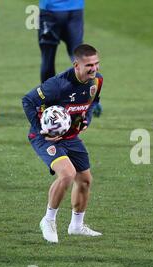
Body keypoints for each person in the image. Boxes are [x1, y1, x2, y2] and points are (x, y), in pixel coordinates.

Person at [22, 44, 103, 243]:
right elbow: (28, 100)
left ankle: (76, 226)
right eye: (89, 65)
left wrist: (86, 120)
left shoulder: (97, 81)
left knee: (85, 180)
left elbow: (92, 102)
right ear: (76, 65)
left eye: (96, 64)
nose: (94, 69)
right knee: (67, 174)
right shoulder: (57, 84)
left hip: (70, 137)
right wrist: (42, 129)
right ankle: (48, 220)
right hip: (44, 138)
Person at [38, 0, 102, 117]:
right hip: (75, 9)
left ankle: (50, 103)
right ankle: (91, 98)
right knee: (79, 56)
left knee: (48, 58)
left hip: (51, 10)